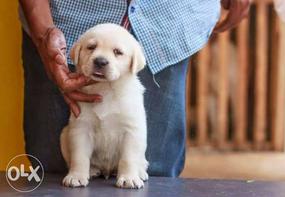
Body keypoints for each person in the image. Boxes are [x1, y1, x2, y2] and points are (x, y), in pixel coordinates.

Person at [19, 0, 249, 177]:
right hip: (66, 20)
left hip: (169, 21)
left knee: (153, 177)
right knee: (55, 174)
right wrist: (43, 34)